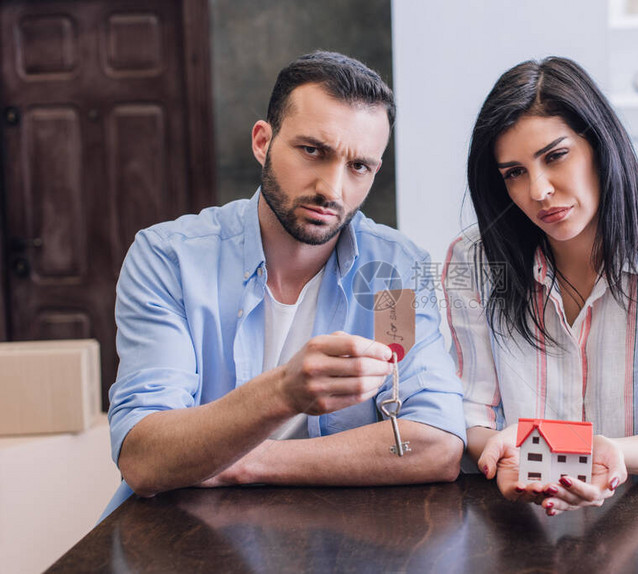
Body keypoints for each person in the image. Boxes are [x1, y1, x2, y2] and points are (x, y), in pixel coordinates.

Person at [102, 51, 465, 517]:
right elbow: (144, 459)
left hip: (343, 538)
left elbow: (437, 443)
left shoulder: (392, 270)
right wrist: (280, 395)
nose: (333, 190)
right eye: (313, 151)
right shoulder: (169, 258)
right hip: (185, 537)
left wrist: (243, 463)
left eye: (359, 167)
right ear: (262, 141)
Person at [442, 57, 638, 516]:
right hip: (512, 521)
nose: (539, 191)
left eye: (555, 157)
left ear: (599, 145)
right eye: (514, 172)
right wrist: (506, 453)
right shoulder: (472, 261)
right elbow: (473, 415)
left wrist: (609, 455)